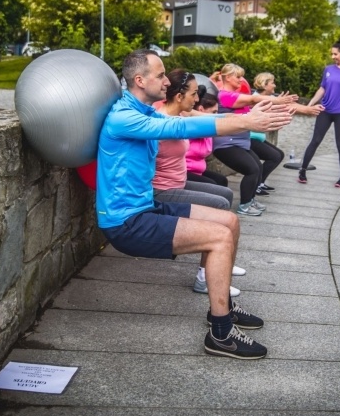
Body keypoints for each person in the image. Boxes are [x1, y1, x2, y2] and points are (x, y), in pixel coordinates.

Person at [96, 49, 292, 359]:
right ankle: (221, 333)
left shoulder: (143, 112)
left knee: (229, 221)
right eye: (160, 75)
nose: (165, 81)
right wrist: (245, 122)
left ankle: (222, 302)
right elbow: (180, 128)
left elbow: (197, 118)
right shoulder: (124, 118)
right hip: (125, 223)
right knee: (219, 238)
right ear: (139, 80)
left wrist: (246, 118)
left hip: (145, 207)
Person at [151, 69, 245, 298]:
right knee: (220, 205)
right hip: (162, 190)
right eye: (193, 94)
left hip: (178, 183)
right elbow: (209, 126)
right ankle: (205, 278)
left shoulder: (181, 115)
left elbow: (213, 118)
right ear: (179, 96)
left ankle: (220, 261)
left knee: (225, 194)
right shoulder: (164, 121)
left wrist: (248, 119)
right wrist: (248, 122)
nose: (197, 99)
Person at [211, 63, 297, 215]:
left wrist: (282, 108)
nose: (241, 80)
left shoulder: (236, 97)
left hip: (239, 143)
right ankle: (244, 206)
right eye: (238, 77)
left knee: (257, 166)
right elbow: (252, 99)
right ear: (228, 77)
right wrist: (277, 100)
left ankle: (250, 200)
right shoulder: (224, 95)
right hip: (226, 144)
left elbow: (257, 108)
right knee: (252, 169)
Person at [297, 37, 340, 188]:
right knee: (315, 141)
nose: (333, 57)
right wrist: (310, 104)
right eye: (332, 54)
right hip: (325, 111)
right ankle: (303, 171)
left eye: (335, 54)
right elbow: (322, 88)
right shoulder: (328, 69)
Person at [251, 71, 322, 194]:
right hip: (252, 137)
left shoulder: (272, 98)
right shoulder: (256, 99)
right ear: (265, 84)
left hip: (262, 136)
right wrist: (307, 110)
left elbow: (289, 104)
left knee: (276, 155)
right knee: (274, 156)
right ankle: (256, 185)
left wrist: (307, 109)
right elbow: (281, 108)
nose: (275, 85)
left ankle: (259, 183)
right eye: (272, 83)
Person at [186, 93, 230, 188]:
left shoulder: (207, 131)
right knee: (212, 186)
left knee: (221, 180)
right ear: (201, 110)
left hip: (197, 170)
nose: (216, 115)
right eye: (213, 112)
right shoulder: (194, 126)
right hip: (184, 171)